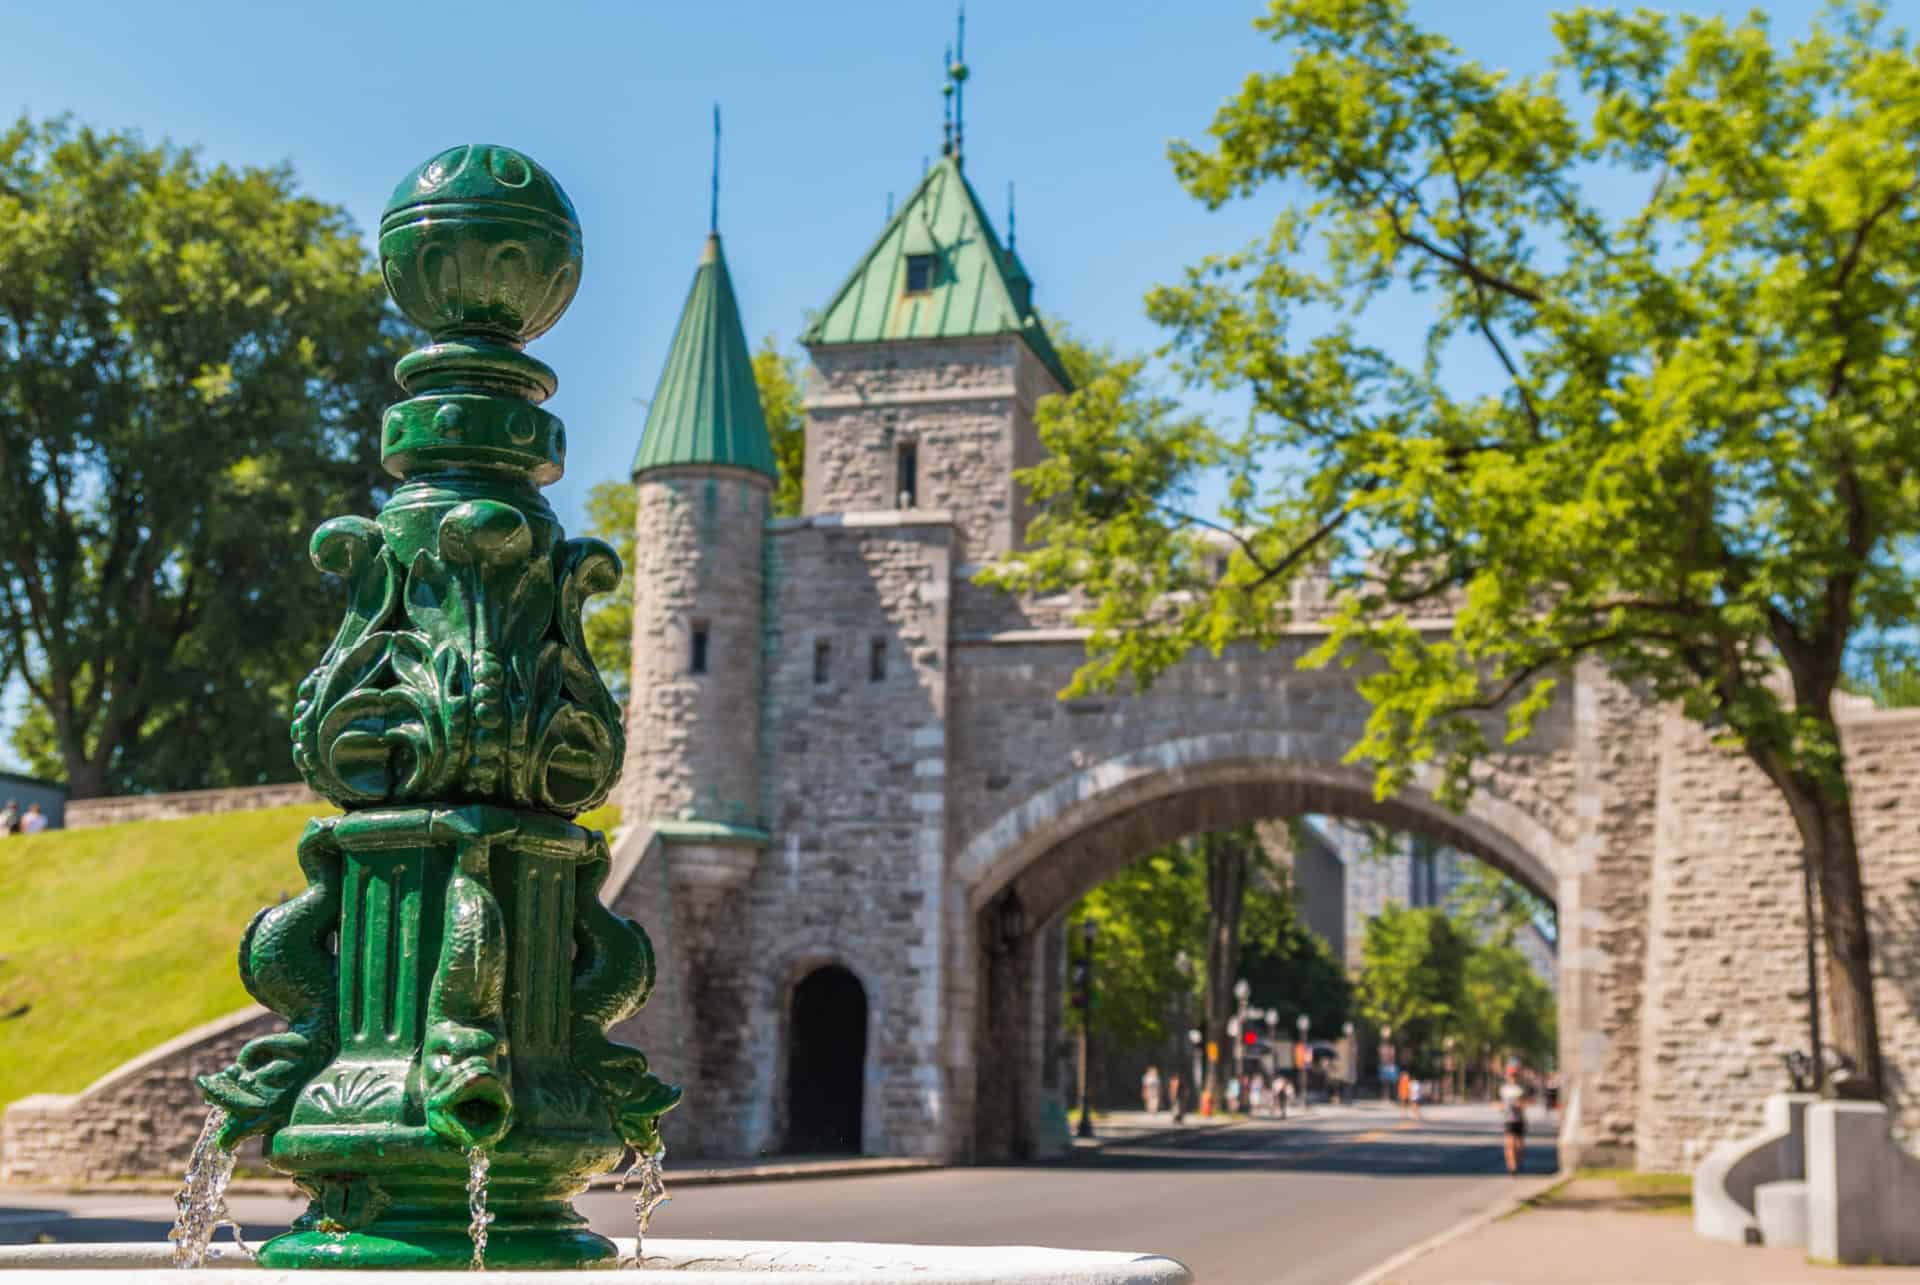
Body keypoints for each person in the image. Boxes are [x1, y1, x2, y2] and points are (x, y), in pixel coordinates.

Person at [1499, 1064, 1534, 1175]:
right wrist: (1500, 1106)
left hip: (1519, 1119)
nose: (1512, 1077)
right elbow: (1496, 1102)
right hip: (1508, 1119)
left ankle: (1518, 1161)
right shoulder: (1503, 1089)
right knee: (1509, 1144)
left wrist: (1521, 1104)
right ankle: (1512, 1167)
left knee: (1519, 1145)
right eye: (1510, 1075)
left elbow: (1529, 1102)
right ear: (1507, 1076)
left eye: (1514, 1075)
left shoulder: (1521, 1089)